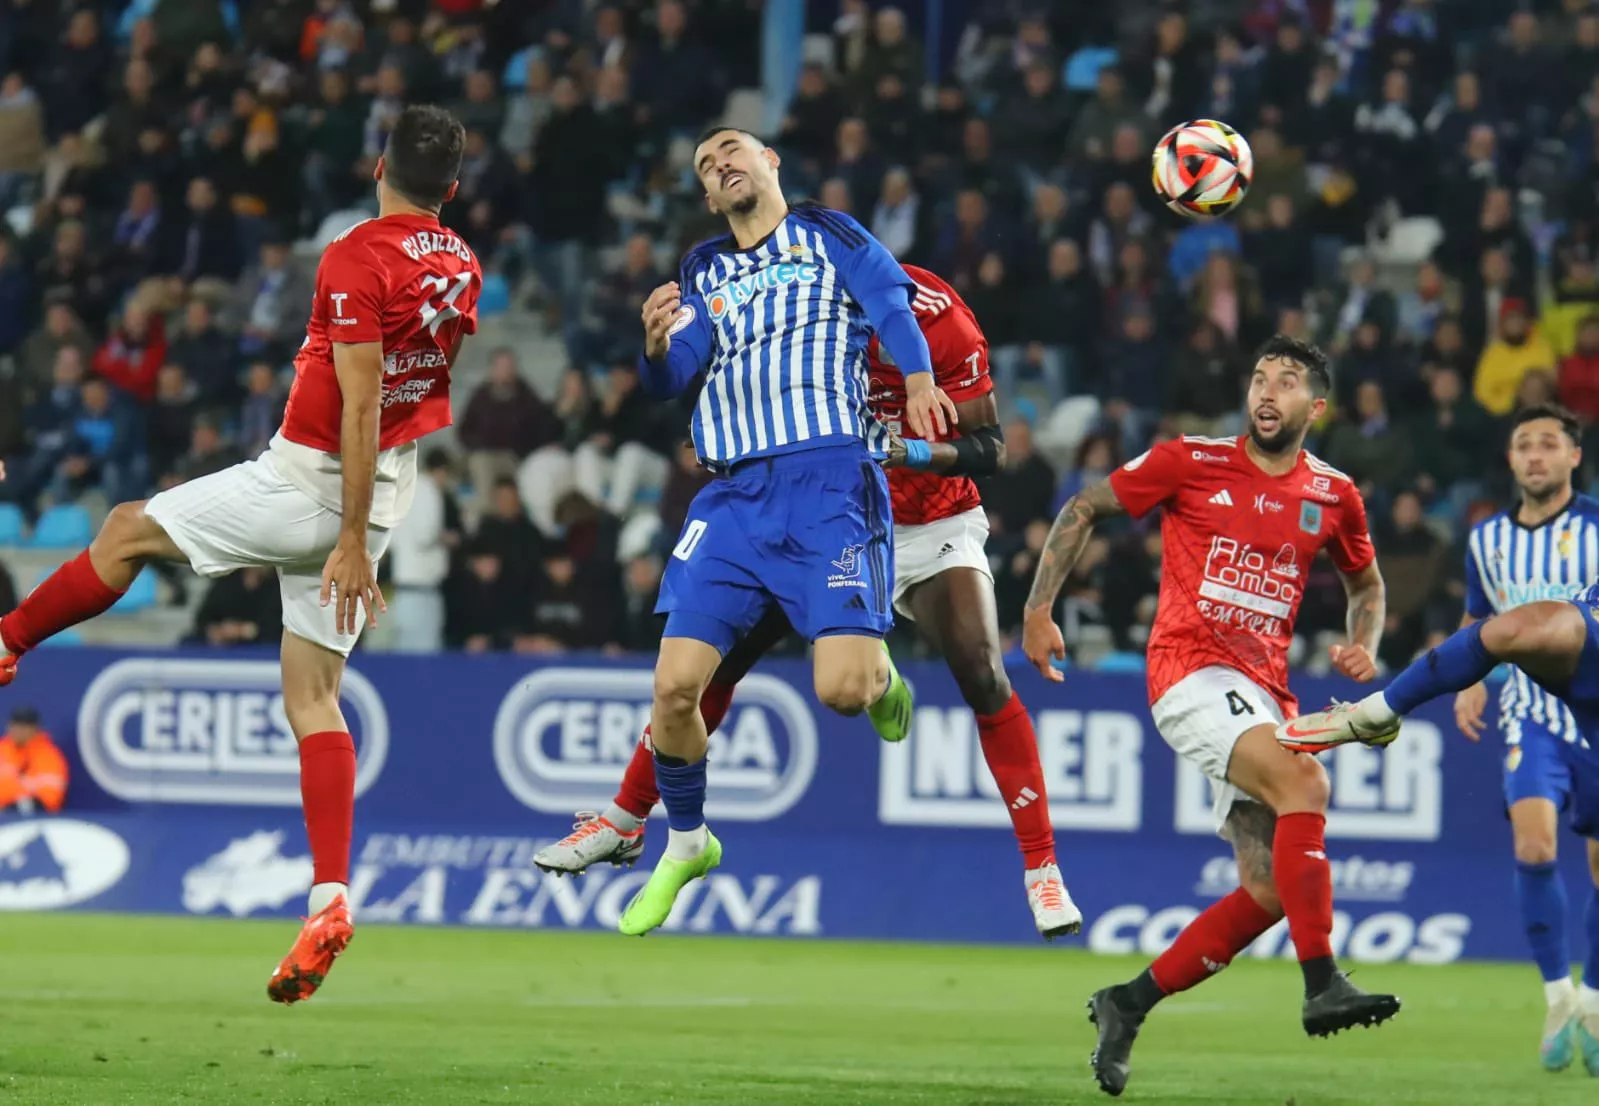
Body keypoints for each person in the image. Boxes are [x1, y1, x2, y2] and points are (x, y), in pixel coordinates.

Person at [0, 106, 478, 1006]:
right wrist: (363, 532)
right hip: (385, 491)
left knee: (125, 528)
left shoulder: (355, 255)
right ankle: (329, 895)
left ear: (380, 165)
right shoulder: (461, 260)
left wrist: (344, 538)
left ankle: (9, 640)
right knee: (313, 698)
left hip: (316, 484)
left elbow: (365, 398)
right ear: (450, 189)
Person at [534, 265, 1081, 938]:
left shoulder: (942, 321)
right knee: (708, 670)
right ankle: (624, 818)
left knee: (979, 668)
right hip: (828, 519)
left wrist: (907, 450)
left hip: (926, 524)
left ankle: (1042, 869)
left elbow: (989, 450)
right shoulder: (794, 303)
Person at [1021, 335, 1400, 1095]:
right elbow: (1083, 505)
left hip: (1262, 690)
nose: (1267, 391)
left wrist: (1363, 647)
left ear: (1314, 408)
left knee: (1266, 887)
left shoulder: (1333, 493)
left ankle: (1125, 1003)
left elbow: (1366, 585)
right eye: (1259, 377)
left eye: (1286, 382)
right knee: (1307, 786)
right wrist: (1036, 608)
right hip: (1189, 672)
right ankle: (1322, 981)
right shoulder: (1188, 460)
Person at [619, 125, 956, 937]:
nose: (720, 162)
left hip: (829, 485)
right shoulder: (705, 268)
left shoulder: (828, 231)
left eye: (731, 149)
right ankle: (689, 841)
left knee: (841, 692)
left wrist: (915, 379)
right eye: (704, 164)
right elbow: (674, 376)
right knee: (671, 692)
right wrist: (655, 346)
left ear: (769, 161)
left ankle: (880, 679)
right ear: (706, 196)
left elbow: (885, 299)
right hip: (733, 500)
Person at [1293, 404, 1599, 1075]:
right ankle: (1555, 995)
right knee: (1534, 841)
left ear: (1574, 457)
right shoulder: (1486, 539)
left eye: (1549, 444)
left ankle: (1593, 1000)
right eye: (1524, 445)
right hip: (1527, 708)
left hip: (1589, 699)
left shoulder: (1594, 523)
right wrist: (1468, 682)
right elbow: (1476, 618)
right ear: (1511, 460)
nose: (1536, 455)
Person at [0, 707, 67, 815]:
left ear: (35, 729)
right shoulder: (2, 749)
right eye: (15, 725)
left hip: (24, 818)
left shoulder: (48, 756)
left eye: (24, 727)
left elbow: (50, 800)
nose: (18, 730)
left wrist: (10, 808)